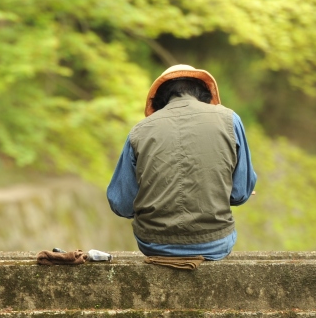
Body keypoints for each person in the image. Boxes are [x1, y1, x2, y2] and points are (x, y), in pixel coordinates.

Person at [106, 64, 257, 261]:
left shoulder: (139, 130)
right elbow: (240, 193)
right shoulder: (230, 120)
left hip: (154, 244)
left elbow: (122, 203)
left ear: (161, 98)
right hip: (215, 243)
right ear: (203, 93)